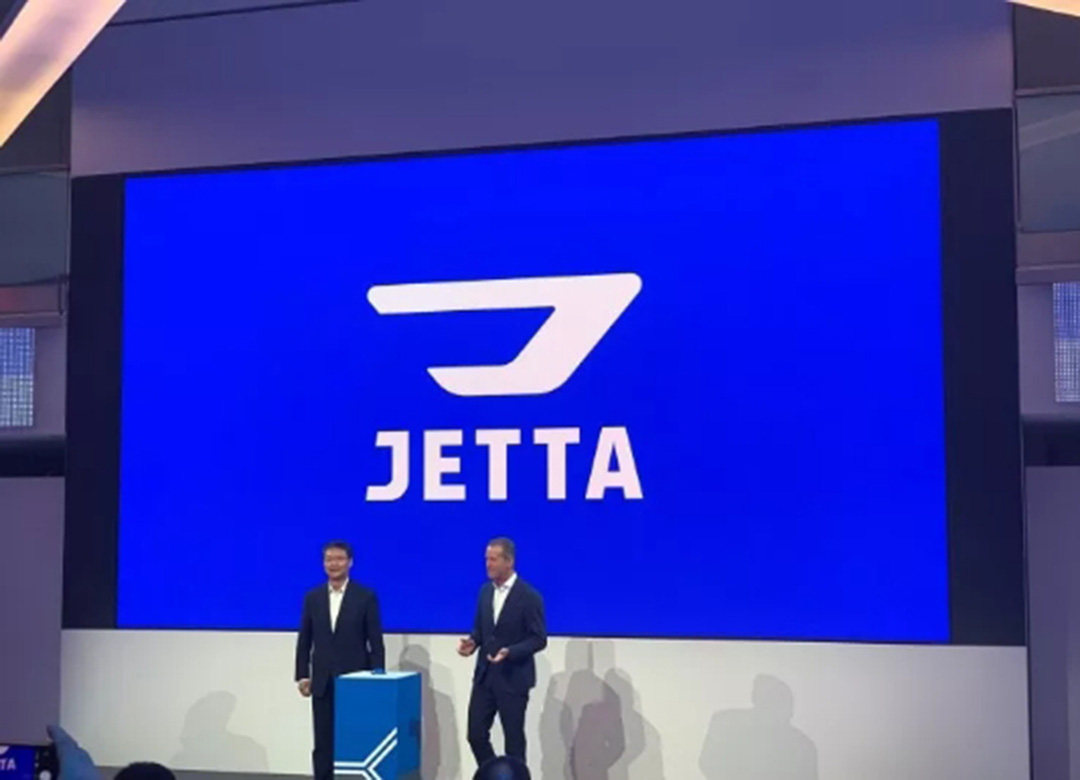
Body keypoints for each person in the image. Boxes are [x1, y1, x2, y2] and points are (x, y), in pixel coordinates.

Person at [295, 541, 385, 780]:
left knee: (355, 739)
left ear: (350, 562)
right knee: (323, 742)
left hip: (355, 680)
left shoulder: (365, 596)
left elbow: (375, 641)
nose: (333, 564)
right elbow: (305, 639)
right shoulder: (313, 597)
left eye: (339, 559)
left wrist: (377, 677)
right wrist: (303, 675)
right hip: (322, 681)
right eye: (328, 559)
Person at [458, 537, 547, 770]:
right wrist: (472, 642)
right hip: (485, 677)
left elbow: (538, 638)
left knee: (513, 741)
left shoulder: (529, 597)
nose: (488, 564)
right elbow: (480, 630)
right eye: (486, 559)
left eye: (493, 559)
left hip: (513, 679)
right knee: (475, 734)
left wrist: (511, 652)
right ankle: (495, 775)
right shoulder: (485, 592)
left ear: (509, 561)